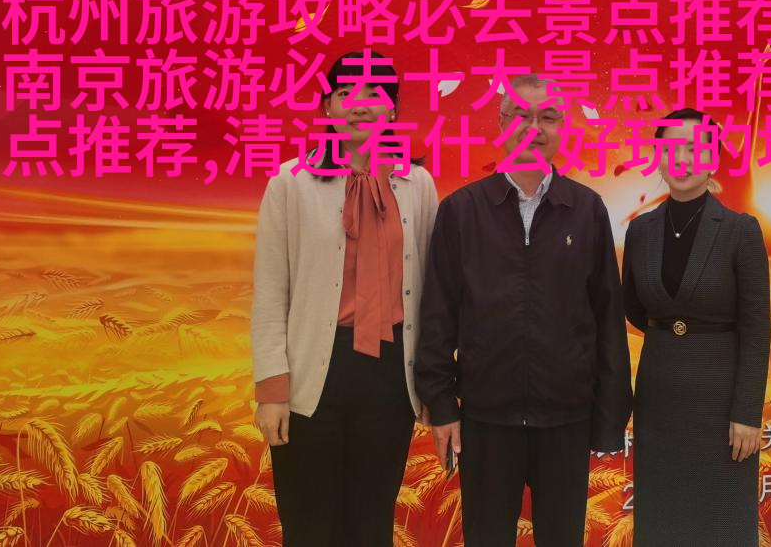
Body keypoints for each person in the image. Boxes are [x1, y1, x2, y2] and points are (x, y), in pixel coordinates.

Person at [417, 74, 632, 547]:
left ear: (562, 128)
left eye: (547, 117)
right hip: (485, 419)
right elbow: (437, 316)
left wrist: (609, 418)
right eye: (521, 116)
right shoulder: (462, 211)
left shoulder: (586, 209)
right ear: (501, 124)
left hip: (566, 419)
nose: (534, 128)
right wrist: (442, 403)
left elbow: (607, 319)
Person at [250, 50, 439, 545]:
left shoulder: (417, 185)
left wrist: (433, 382)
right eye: (346, 92)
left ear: (392, 109)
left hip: (390, 374)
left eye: (375, 93)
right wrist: (272, 392)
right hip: (314, 372)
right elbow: (270, 293)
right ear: (327, 107)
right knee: (309, 525)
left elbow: (432, 292)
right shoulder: (290, 183)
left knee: (371, 524)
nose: (360, 104)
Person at [621, 108, 771, 546]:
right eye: (671, 148)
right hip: (659, 399)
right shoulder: (641, 231)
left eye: (694, 148)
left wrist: (747, 413)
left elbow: (757, 330)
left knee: (721, 520)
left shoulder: (741, 230)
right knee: (662, 519)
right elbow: (635, 309)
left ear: (713, 158)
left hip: (720, 403)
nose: (682, 158)